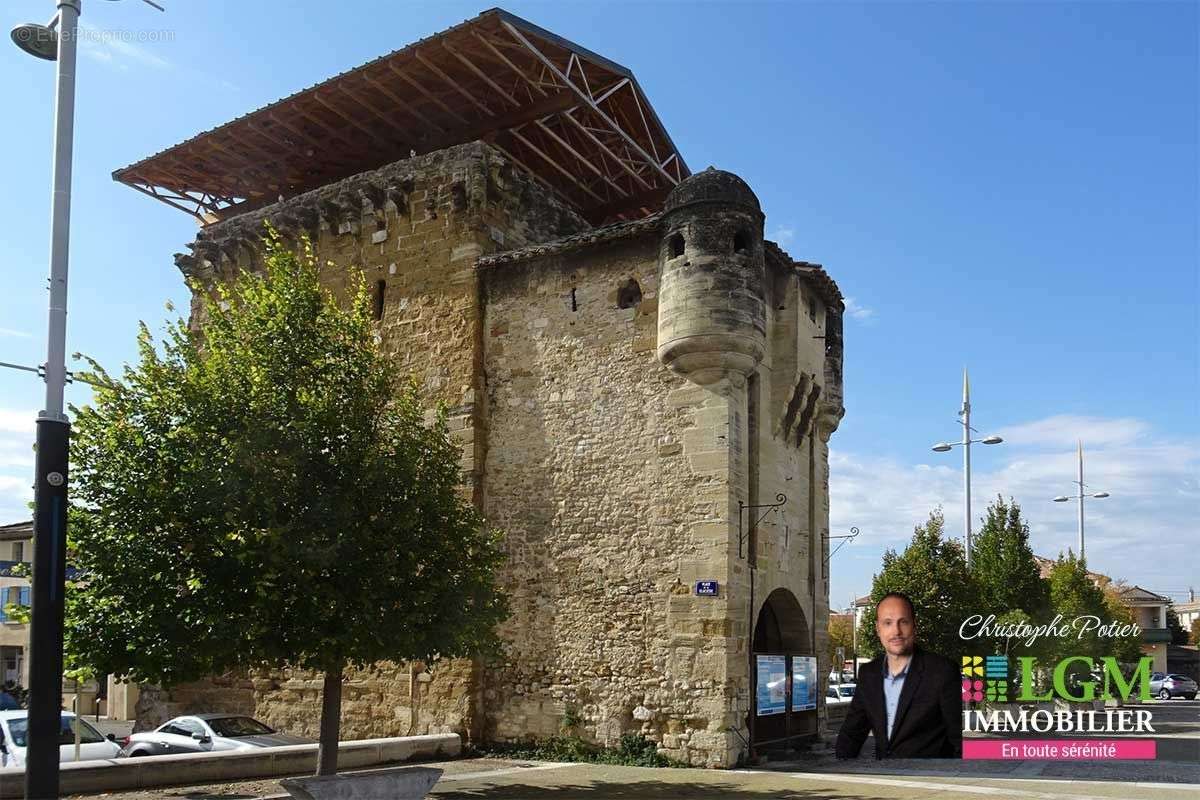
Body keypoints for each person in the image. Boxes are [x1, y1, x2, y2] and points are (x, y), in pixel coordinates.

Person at [834, 592, 962, 758]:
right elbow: (851, 734)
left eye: (904, 622)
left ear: (914, 626)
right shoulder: (868, 674)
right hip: (887, 777)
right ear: (878, 629)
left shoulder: (942, 671)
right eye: (888, 623)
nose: (896, 631)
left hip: (930, 776)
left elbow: (958, 740)